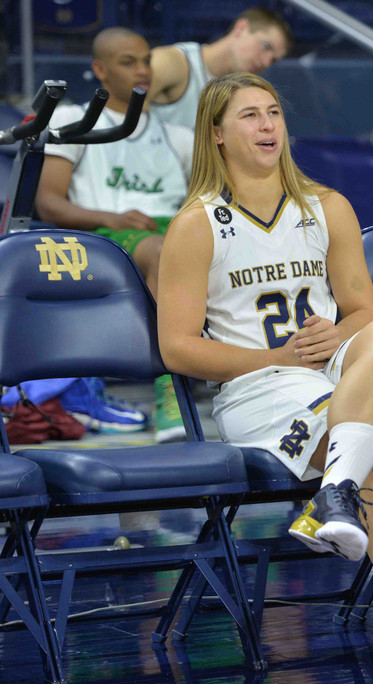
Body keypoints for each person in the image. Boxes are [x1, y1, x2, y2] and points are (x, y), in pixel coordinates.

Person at [156, 72, 373, 684]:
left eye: (274, 112)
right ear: (218, 135)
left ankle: (334, 493)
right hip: (256, 389)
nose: (267, 125)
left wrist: (338, 334)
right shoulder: (197, 225)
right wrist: (275, 358)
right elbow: (176, 348)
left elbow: (361, 307)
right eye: (250, 115)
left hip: (333, 372)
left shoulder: (327, 206)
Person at [35, 27, 189, 442]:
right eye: (128, 62)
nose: (142, 70)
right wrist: (114, 217)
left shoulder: (179, 138)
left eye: (146, 60)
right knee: (163, 251)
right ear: (100, 70)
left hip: (169, 236)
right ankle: (170, 393)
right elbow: (49, 203)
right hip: (103, 237)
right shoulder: (72, 120)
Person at [148, 6, 291, 130]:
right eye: (265, 46)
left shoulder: (237, 95)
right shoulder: (171, 62)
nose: (266, 62)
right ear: (241, 28)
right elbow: (125, 116)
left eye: (273, 60)